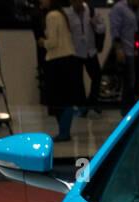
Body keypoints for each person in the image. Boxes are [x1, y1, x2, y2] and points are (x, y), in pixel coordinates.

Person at [42, 0, 84, 141]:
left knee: (59, 99)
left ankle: (63, 132)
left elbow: (52, 42)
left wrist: (43, 42)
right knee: (67, 98)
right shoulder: (61, 14)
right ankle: (64, 131)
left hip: (57, 60)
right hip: (68, 59)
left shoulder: (51, 16)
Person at [67, 0, 106, 114]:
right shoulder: (68, 14)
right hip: (76, 52)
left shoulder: (92, 11)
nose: (76, 4)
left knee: (97, 76)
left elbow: (102, 28)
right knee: (78, 81)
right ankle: (82, 107)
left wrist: (94, 24)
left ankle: (92, 101)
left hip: (90, 51)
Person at [106, 0, 139, 116]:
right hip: (124, 50)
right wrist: (119, 49)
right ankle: (126, 109)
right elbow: (115, 30)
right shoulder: (119, 8)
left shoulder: (132, 9)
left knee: (130, 80)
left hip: (131, 49)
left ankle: (129, 108)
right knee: (128, 81)